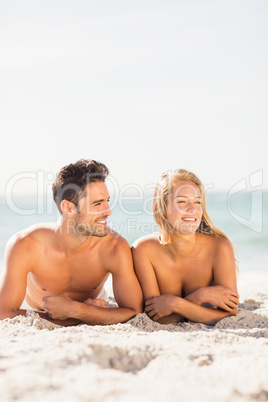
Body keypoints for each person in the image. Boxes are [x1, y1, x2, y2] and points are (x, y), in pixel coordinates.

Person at [0, 159, 143, 326]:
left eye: (107, 201)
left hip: (94, 303)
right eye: (97, 204)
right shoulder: (25, 245)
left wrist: (76, 310)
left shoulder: (114, 247)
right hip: (35, 307)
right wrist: (76, 315)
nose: (108, 211)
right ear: (68, 208)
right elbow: (4, 312)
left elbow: (134, 312)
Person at [132, 169, 239, 326]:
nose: (192, 209)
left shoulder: (220, 247)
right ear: (159, 207)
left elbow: (229, 313)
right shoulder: (143, 250)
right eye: (182, 202)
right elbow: (157, 316)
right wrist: (199, 298)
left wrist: (175, 304)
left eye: (197, 202)